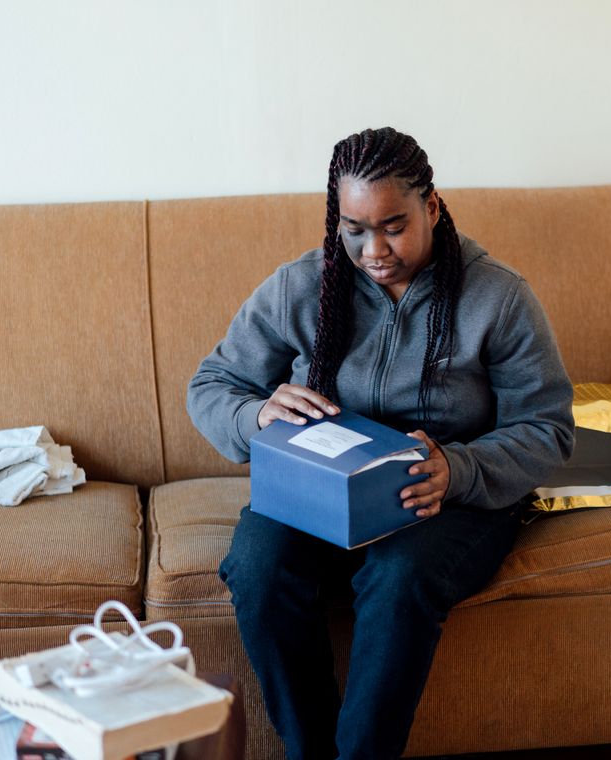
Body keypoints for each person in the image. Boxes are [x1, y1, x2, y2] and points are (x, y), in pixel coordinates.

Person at [187, 127, 574, 760]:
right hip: (323, 489)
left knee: (398, 579)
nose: (374, 251)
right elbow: (211, 384)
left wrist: (460, 467)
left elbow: (548, 427)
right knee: (258, 566)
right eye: (354, 229)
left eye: (394, 226)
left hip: (446, 498)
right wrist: (258, 414)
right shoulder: (302, 286)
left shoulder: (497, 297)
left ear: (434, 208)